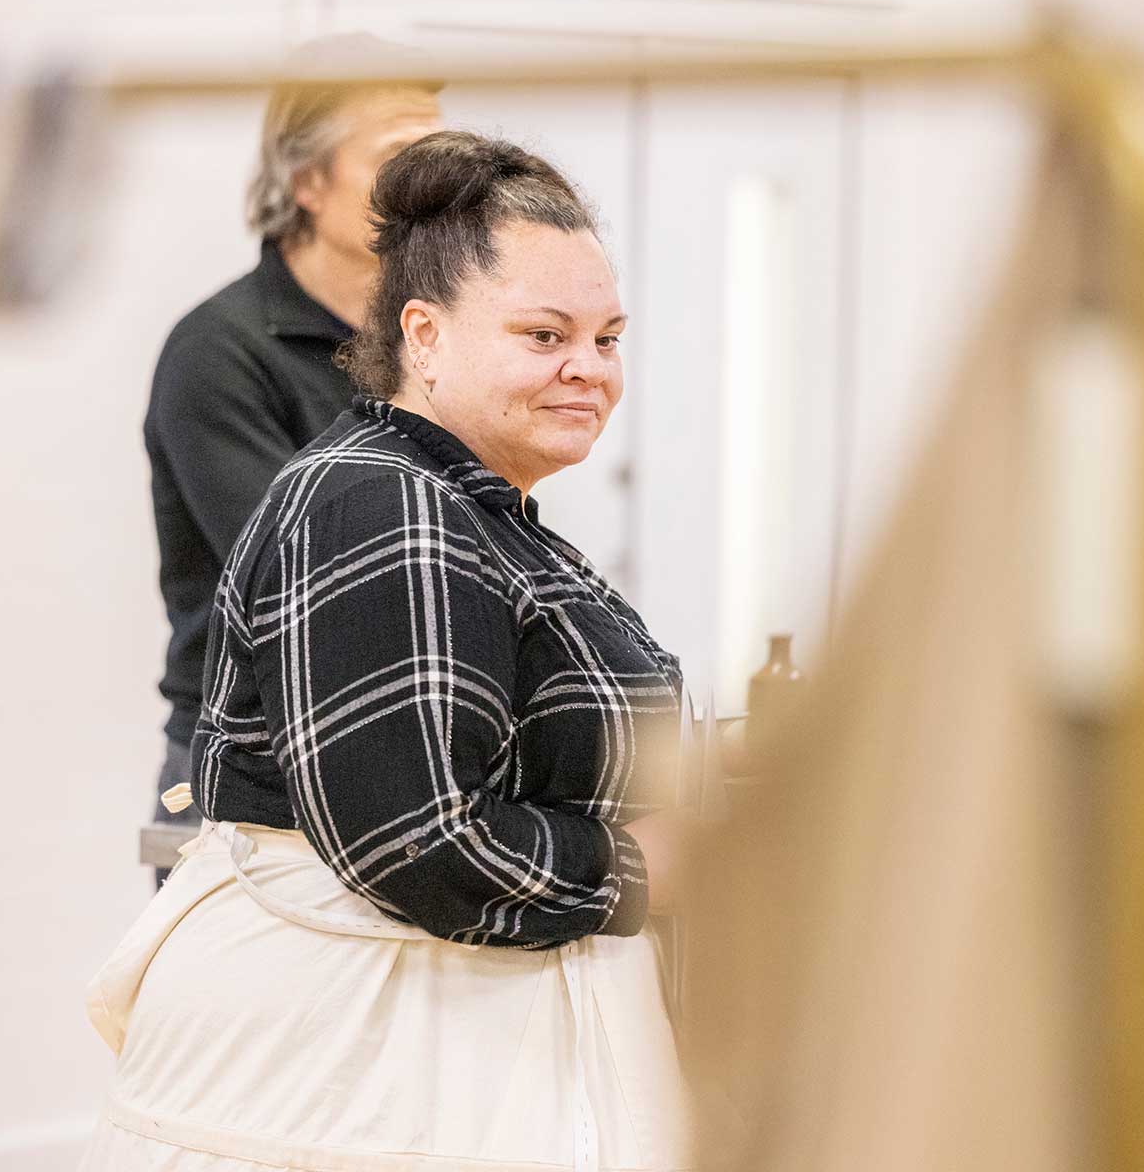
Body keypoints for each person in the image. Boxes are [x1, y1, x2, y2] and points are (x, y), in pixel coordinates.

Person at [85, 133, 693, 1172]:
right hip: (360, 1080)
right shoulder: (383, 503)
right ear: (425, 334)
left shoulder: (468, 504)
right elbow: (419, 841)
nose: (588, 369)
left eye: (607, 337)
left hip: (442, 1060)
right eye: (546, 335)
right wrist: (644, 864)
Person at [144, 64, 442, 852]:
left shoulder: (428, 341)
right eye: (401, 157)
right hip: (248, 762)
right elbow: (301, 570)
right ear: (308, 180)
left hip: (401, 743)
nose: (431, 188)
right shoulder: (216, 351)